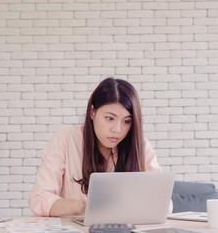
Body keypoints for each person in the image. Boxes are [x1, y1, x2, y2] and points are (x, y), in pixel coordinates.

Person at [28, 77, 168, 217]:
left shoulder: (142, 147)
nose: (117, 129)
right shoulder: (64, 140)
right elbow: (39, 199)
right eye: (110, 118)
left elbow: (165, 204)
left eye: (127, 121)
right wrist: (82, 205)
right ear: (92, 112)